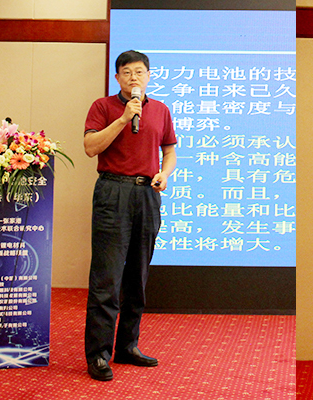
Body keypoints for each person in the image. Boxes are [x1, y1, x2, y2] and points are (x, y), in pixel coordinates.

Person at [82, 50, 177, 381]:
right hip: (113, 191)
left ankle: (127, 345)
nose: (133, 77)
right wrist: (123, 119)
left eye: (139, 72)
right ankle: (98, 354)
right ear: (117, 77)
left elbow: (169, 151)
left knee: (137, 276)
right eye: (126, 72)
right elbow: (91, 147)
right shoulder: (103, 107)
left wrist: (165, 173)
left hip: (147, 193)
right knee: (107, 277)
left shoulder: (161, 110)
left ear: (148, 76)